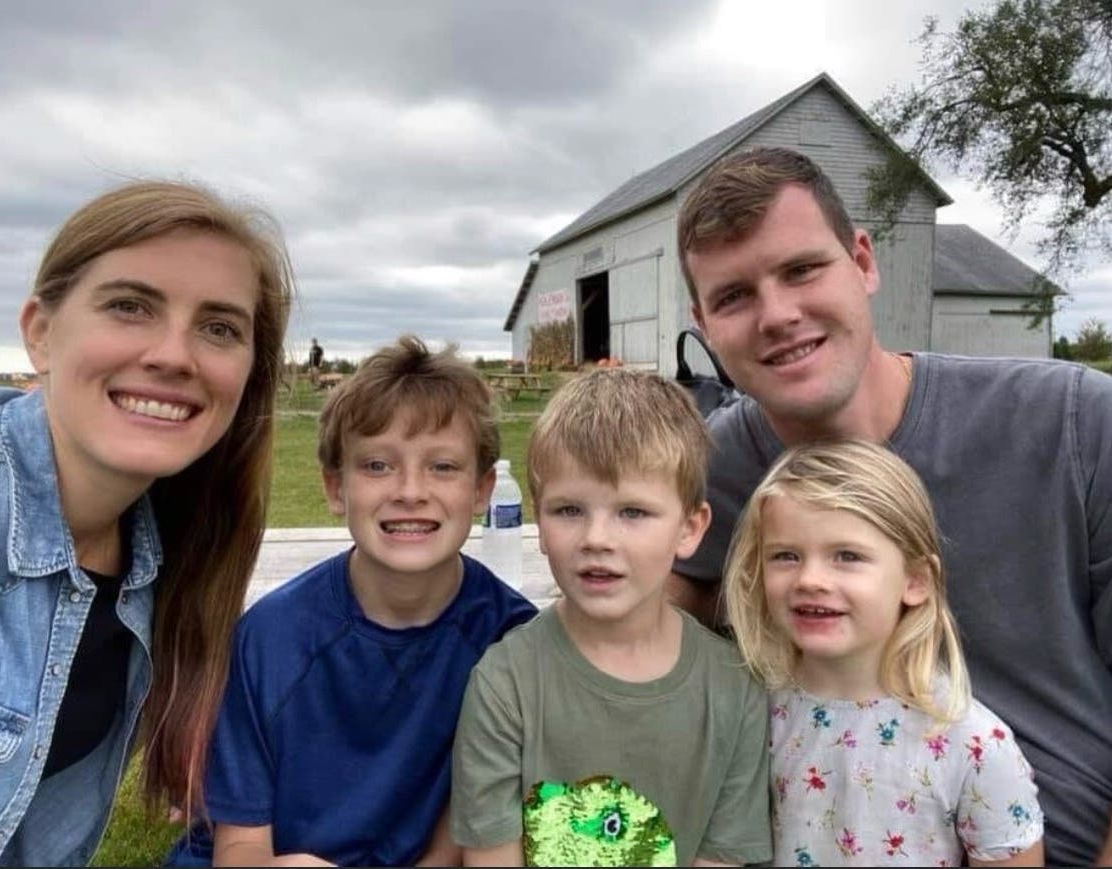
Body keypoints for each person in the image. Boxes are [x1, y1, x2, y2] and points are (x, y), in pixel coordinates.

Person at [669, 145, 1112, 866]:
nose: (777, 314)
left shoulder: (1072, 422)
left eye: (801, 270)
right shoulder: (704, 473)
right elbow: (621, 625)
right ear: (704, 323)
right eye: (733, 297)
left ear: (863, 262)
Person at [0, 179, 294, 866]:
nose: (174, 355)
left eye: (219, 327)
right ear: (41, 332)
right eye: (130, 306)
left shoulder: (168, 553)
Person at [191, 334, 537, 867]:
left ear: (482, 491)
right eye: (377, 465)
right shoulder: (271, 637)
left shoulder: (512, 640)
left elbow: (475, 840)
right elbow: (240, 846)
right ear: (336, 489)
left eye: (443, 466)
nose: (410, 491)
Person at [451, 367, 772, 867]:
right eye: (569, 511)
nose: (596, 539)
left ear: (690, 529)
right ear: (539, 522)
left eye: (632, 512)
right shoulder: (504, 684)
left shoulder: (735, 690)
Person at [724, 440, 1044, 866]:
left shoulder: (972, 745)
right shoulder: (745, 709)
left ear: (916, 580)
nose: (810, 579)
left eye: (847, 556)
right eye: (786, 556)